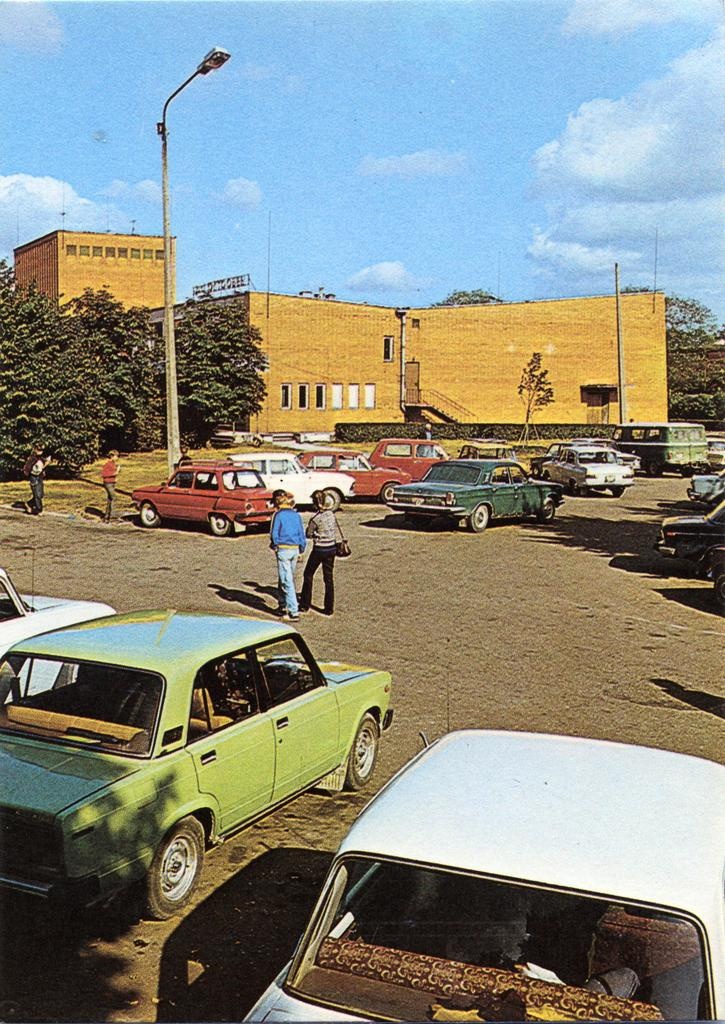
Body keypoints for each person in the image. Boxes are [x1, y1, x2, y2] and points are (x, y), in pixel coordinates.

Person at [299, 490, 338, 616]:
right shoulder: (331, 515)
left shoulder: (315, 519)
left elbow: (308, 534)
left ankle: (305, 604)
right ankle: (329, 608)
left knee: (308, 574)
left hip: (319, 549)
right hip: (331, 548)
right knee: (328, 578)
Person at [269, 491, 306, 620]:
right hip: (295, 549)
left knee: (287, 580)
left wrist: (275, 545)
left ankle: (293, 610)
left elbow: (274, 534)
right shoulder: (296, 515)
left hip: (283, 549)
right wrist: (301, 549)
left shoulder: (278, 515)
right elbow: (301, 534)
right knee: (285, 577)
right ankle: (282, 604)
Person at [23, 447, 50, 516]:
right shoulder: (32, 458)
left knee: (41, 494)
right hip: (33, 477)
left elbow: (41, 466)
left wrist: (47, 463)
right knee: (37, 494)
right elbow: (26, 468)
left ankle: (29, 503)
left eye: (41, 450)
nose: (40, 451)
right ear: (35, 450)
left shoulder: (41, 458)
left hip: (39, 477)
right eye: (39, 450)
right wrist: (29, 475)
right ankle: (39, 510)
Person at [100, 450, 121, 523]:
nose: (117, 458)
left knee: (110, 499)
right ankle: (112, 517)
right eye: (116, 456)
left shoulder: (113, 464)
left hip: (112, 483)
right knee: (114, 497)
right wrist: (115, 473)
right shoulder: (107, 464)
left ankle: (107, 516)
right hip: (108, 483)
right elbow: (103, 474)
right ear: (112, 456)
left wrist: (115, 478)